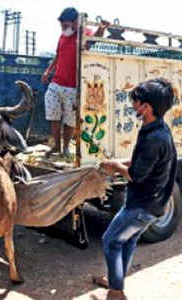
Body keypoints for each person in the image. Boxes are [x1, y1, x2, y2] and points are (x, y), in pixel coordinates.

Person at [93, 78, 177, 300]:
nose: (133, 106)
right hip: (153, 204)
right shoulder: (157, 128)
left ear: (146, 107)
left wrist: (115, 167)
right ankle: (115, 280)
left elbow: (137, 175)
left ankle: (116, 291)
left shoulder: (154, 138)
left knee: (110, 241)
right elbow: (140, 163)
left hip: (142, 206)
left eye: (136, 102)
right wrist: (120, 162)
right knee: (127, 240)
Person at [41, 7, 109, 157]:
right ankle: (57, 146)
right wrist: (48, 71)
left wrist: (101, 30)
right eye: (62, 26)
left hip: (73, 86)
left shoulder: (86, 33)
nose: (63, 29)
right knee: (53, 114)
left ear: (75, 22)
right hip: (56, 82)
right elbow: (57, 55)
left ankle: (65, 148)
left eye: (65, 26)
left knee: (70, 119)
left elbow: (91, 43)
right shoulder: (63, 36)